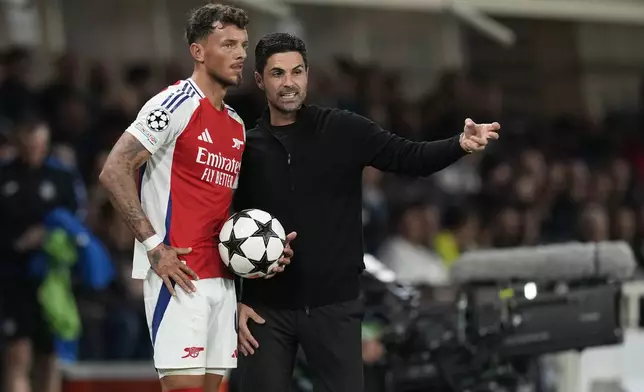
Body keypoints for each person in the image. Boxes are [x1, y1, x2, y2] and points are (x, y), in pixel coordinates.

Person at [232, 33, 500, 392]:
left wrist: (459, 145)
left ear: (308, 75)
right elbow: (225, 228)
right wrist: (235, 300)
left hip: (334, 306)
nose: (289, 83)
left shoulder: (343, 129)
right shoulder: (246, 147)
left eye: (297, 72)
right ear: (259, 80)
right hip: (266, 311)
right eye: (278, 74)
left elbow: (410, 157)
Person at [98, 5, 293, 392]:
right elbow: (114, 169)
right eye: (228, 44)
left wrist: (259, 255)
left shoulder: (236, 124)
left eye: (243, 45)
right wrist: (155, 247)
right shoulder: (173, 105)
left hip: (221, 284)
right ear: (198, 51)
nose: (240, 54)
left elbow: (221, 211)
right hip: (179, 280)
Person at [0, 119, 78, 392]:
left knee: (49, 356)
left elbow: (74, 223)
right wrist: (18, 243)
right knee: (17, 354)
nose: (35, 151)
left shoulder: (61, 178)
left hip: (52, 280)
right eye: (29, 145)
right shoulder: (5, 175)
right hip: (13, 277)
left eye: (40, 146)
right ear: (19, 143)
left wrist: (47, 236)